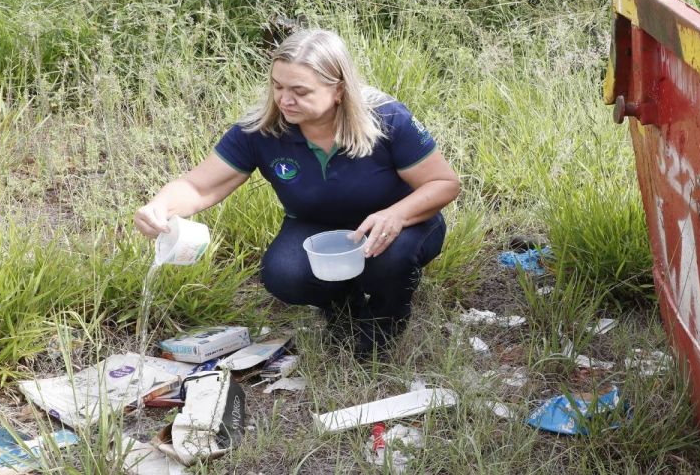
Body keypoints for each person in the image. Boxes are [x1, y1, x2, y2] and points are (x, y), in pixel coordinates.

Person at [134, 29, 460, 360]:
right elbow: (199, 186)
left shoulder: (387, 118)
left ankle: (385, 319)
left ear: (338, 89)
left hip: (401, 223)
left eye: (300, 91)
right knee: (283, 273)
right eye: (278, 86)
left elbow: (444, 183)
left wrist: (396, 215)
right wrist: (160, 206)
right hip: (316, 224)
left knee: (390, 260)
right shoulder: (261, 130)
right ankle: (342, 308)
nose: (284, 100)